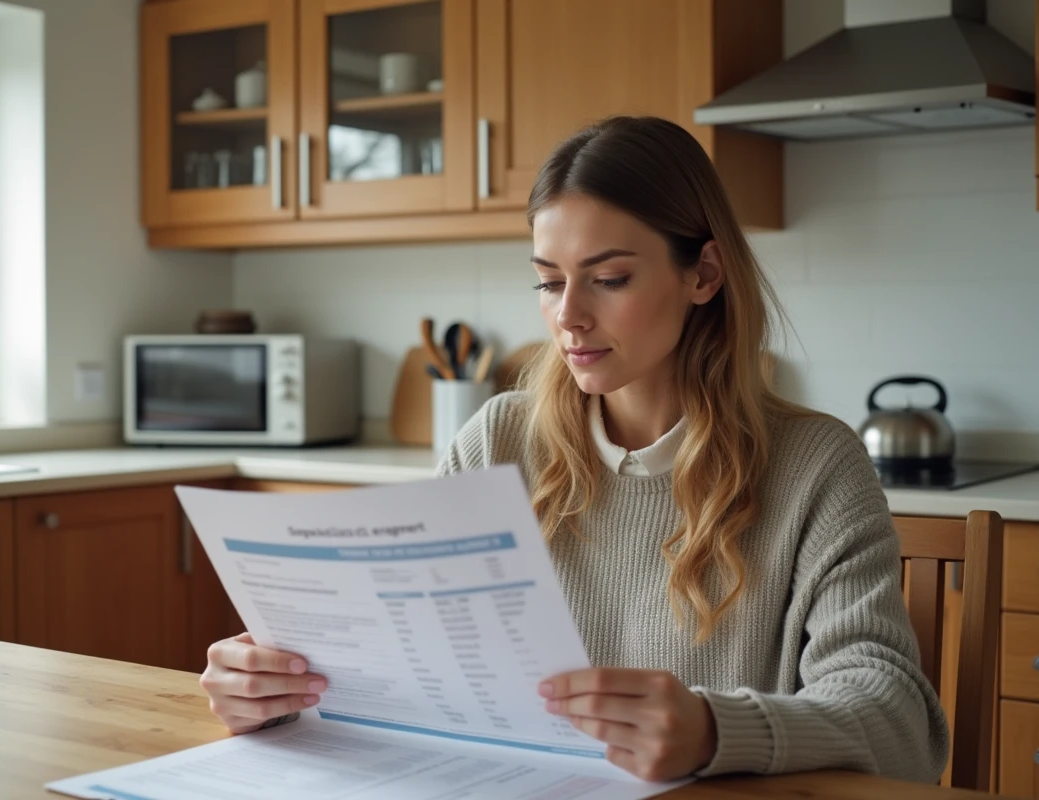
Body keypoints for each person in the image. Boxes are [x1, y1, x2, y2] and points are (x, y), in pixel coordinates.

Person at [199, 115, 949, 784]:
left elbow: (897, 722)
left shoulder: (817, 464)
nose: (570, 317)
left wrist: (717, 731)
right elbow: (409, 679)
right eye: (549, 282)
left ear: (705, 275)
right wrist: (278, 693)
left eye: (609, 279)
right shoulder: (497, 438)